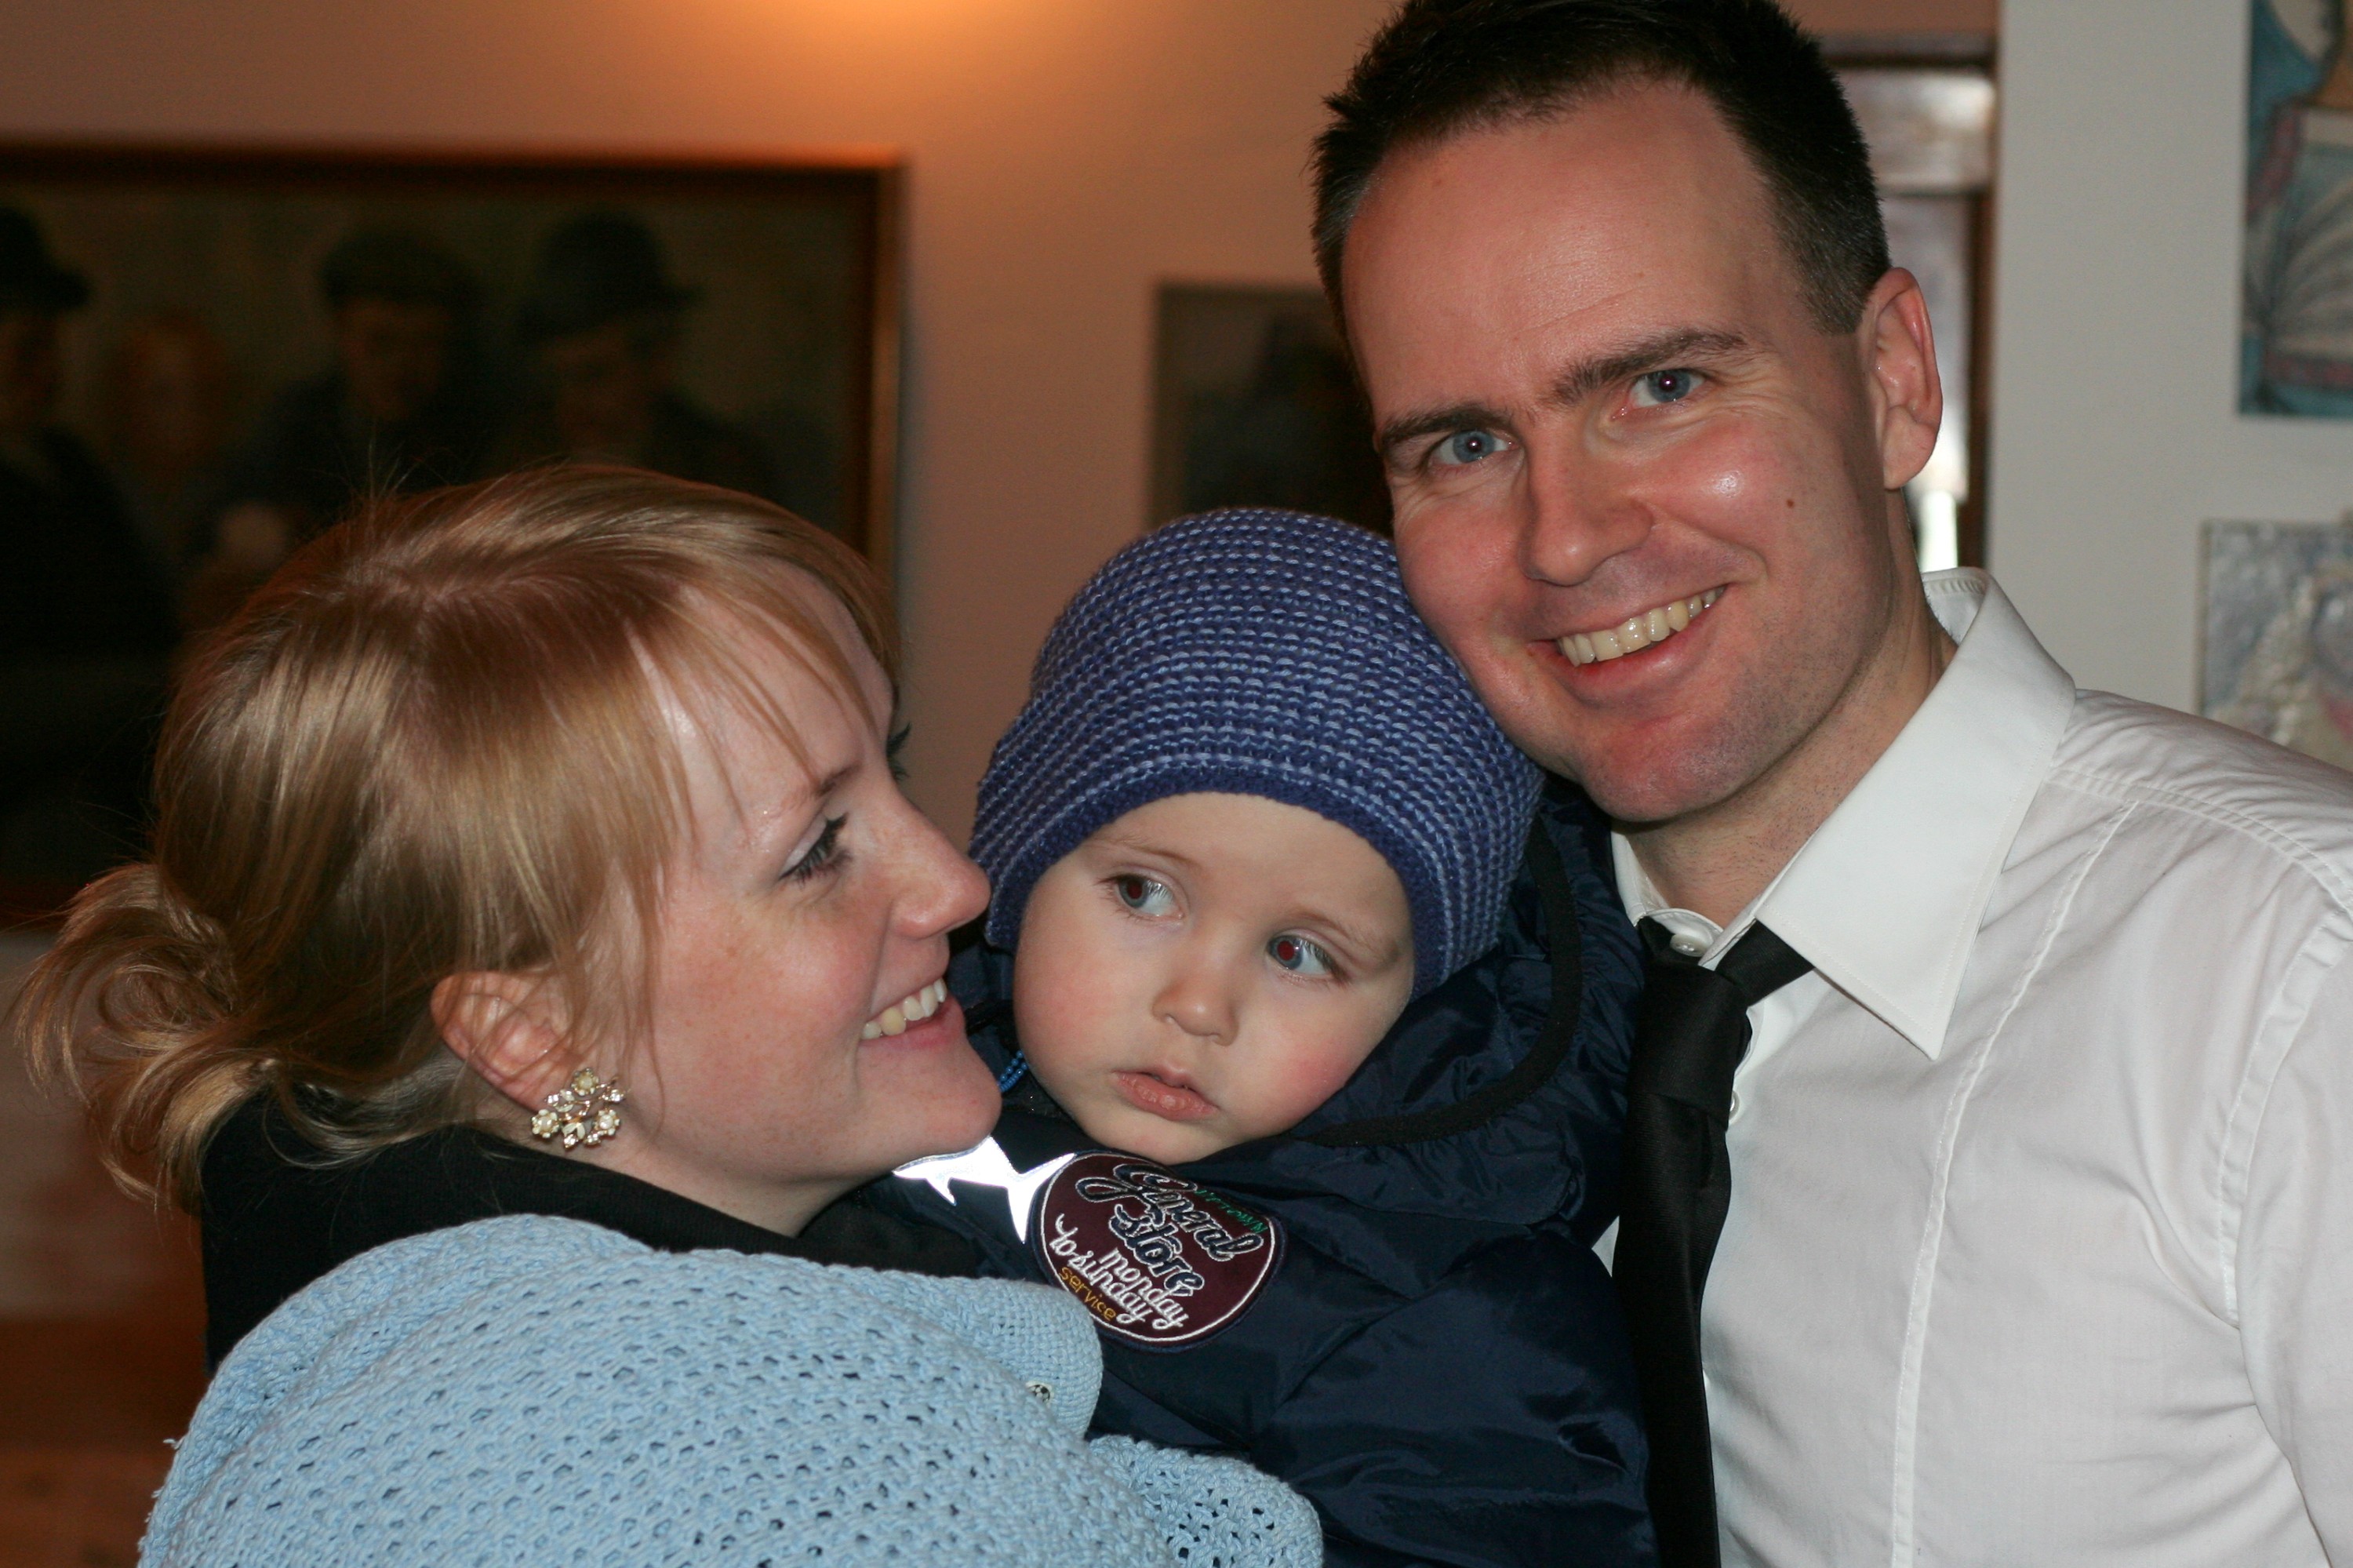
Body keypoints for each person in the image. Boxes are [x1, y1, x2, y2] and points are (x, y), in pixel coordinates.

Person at [1316, 1, 2353, 1564]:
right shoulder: (1402, 999)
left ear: (1891, 380)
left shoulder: (2294, 984)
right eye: (1463, 445)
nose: (1565, 538)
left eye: (1661, 387)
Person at [14, 467, 1318, 1566]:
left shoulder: (421, 1343)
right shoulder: (717, 1455)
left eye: (894, 765)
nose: (956, 882)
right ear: (535, 1037)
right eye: (816, 850)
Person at [884, 509, 1653, 1566]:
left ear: (1415, 994)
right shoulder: (879, 1069)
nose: (1200, 1004)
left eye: (1299, 953)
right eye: (1144, 892)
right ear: (1020, 865)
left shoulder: (1446, 1319)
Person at [0, 205, 176, 882]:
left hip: (118, 790)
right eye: (26, 350)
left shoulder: (69, 465)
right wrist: (164, 677)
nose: (46, 372)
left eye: (49, 347)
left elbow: (136, 605)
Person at [214, 226, 489, 552]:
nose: (402, 366)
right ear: (340, 333)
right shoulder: (295, 426)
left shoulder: (475, 430)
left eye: (425, 344)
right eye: (380, 343)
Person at [501, 211, 776, 499]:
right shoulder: (524, 455)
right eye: (557, 378)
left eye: (594, 375)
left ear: (658, 362)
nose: (571, 405)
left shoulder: (720, 468)